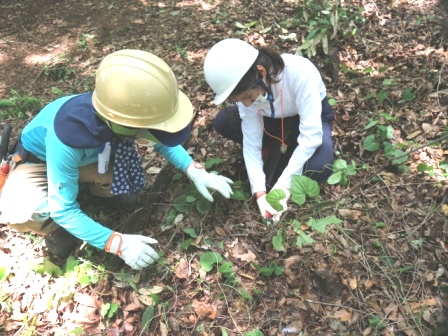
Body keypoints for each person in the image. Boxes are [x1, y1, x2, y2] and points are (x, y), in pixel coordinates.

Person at [0, 49, 233, 270]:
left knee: (116, 174)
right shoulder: (67, 137)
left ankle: (100, 193)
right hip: (40, 162)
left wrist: (193, 169)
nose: (152, 134)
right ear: (125, 126)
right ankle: (53, 229)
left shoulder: (123, 111)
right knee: (21, 212)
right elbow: (63, 210)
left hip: (87, 156)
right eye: (147, 129)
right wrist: (117, 243)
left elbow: (160, 139)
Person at [203, 39, 334, 223]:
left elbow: (311, 135)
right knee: (224, 121)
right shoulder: (249, 94)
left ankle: (283, 154)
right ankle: (279, 148)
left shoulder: (299, 73)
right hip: (272, 120)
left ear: (261, 72)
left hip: (302, 117)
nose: (247, 104)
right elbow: (251, 142)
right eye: (240, 101)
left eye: (248, 97)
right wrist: (260, 192)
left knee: (320, 166)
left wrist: (283, 188)